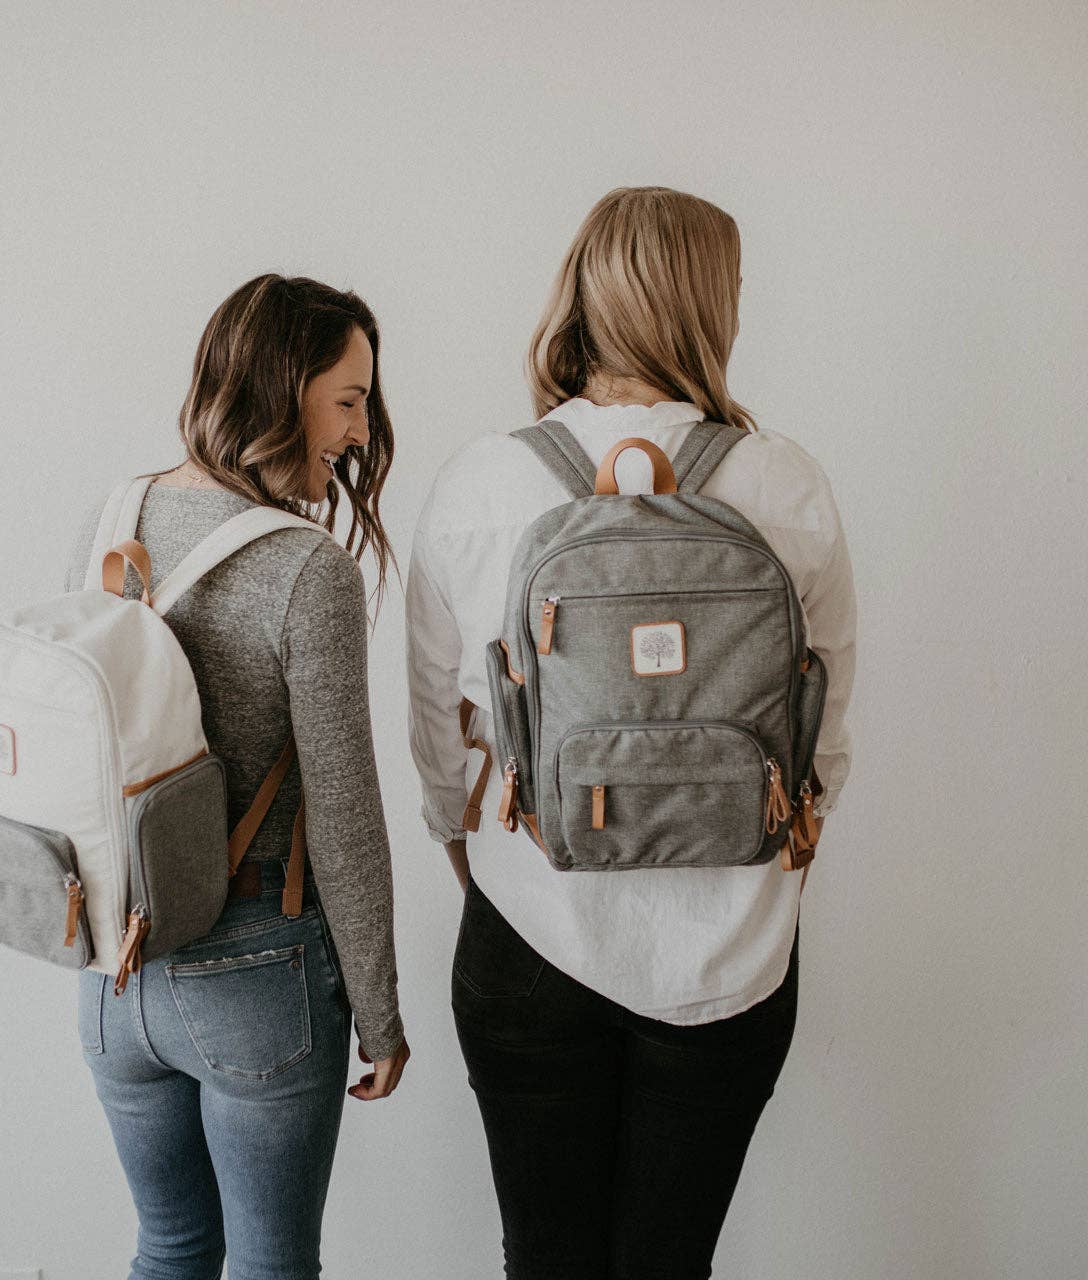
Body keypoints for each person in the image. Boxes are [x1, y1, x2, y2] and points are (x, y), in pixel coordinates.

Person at [406, 187, 856, 1279]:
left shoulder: (482, 478)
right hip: (728, 949)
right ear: (704, 308)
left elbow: (435, 720)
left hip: (528, 924)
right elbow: (824, 724)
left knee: (546, 1256)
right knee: (667, 1262)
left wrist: (465, 850)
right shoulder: (781, 480)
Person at [67, 274, 410, 1280]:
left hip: (108, 971)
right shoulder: (309, 568)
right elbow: (343, 815)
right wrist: (381, 1016)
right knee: (269, 1265)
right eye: (346, 399)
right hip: (254, 970)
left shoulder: (116, 511)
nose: (356, 432)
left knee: (167, 1248)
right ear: (282, 385)